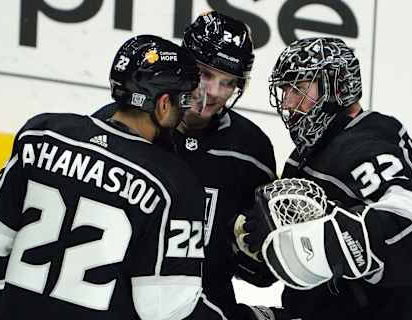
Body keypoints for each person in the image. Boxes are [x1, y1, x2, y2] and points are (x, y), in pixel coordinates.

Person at [0, 34, 225, 319]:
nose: (185, 110)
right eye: (184, 100)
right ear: (164, 104)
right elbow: (168, 307)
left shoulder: (41, 135)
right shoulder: (173, 183)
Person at [236, 37, 412, 320]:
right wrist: (264, 248)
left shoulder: (370, 143)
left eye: (299, 89)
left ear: (337, 88)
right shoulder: (305, 157)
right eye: (285, 90)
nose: (288, 102)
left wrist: (325, 234)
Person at [93, 11, 277, 319]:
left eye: (228, 81)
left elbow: (260, 273)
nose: (215, 92)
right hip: (114, 303)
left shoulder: (252, 151)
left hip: (201, 309)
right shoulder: (125, 122)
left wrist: (260, 248)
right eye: (206, 74)